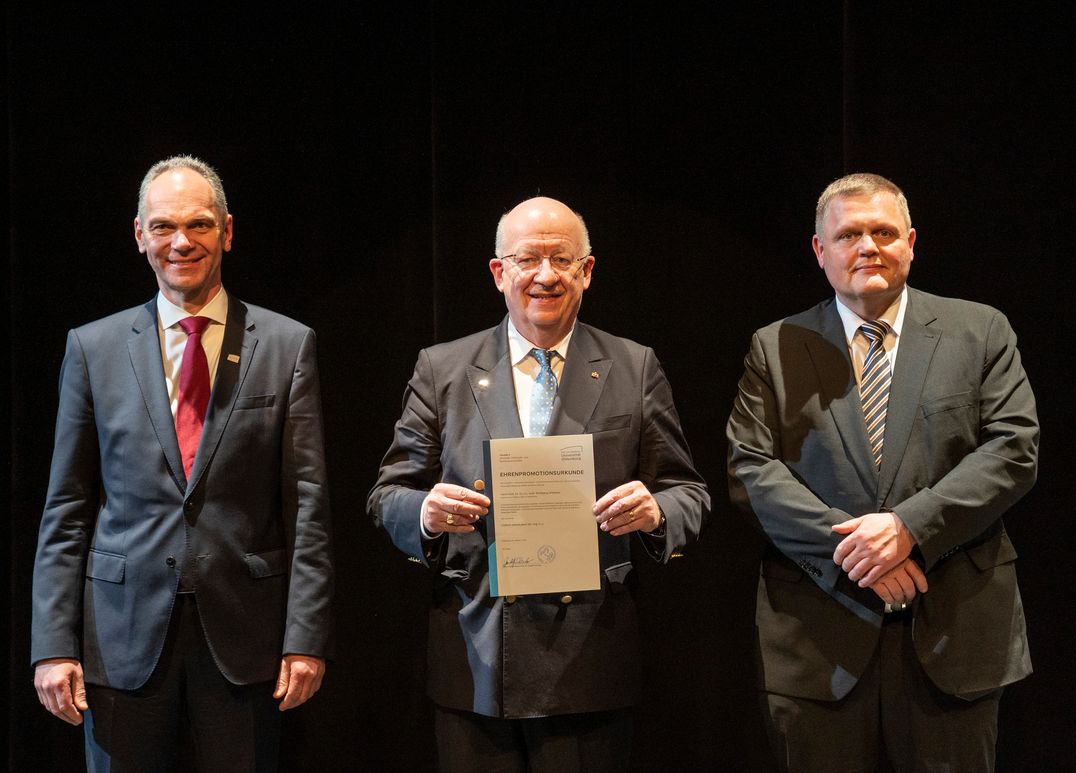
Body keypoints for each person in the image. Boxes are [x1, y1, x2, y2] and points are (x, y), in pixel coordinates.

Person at [368, 196, 708, 772]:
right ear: (500, 273)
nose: (545, 276)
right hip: (476, 655)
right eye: (528, 260)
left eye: (561, 259)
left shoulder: (634, 366)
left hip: (591, 662)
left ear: (587, 271)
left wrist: (655, 512)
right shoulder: (443, 369)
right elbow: (387, 496)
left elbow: (687, 492)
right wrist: (425, 511)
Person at [726, 172, 1038, 772]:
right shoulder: (774, 345)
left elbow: (1013, 448)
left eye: (883, 232)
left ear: (911, 242)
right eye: (848, 234)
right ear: (821, 252)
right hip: (820, 637)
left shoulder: (980, 330)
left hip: (953, 630)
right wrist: (861, 549)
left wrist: (909, 528)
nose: (867, 246)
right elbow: (751, 469)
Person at [31, 155, 334, 771]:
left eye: (199, 225)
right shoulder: (94, 348)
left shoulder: (285, 345)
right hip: (120, 638)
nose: (181, 242)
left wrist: (306, 637)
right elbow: (67, 506)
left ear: (227, 231)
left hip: (247, 638)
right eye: (164, 226)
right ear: (139, 235)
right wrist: (51, 646)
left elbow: (308, 506)